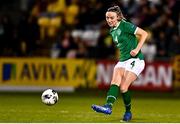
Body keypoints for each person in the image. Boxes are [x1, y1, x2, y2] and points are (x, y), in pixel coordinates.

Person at [91, 6, 148, 122]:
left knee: (123, 87)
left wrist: (137, 49)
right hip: (123, 60)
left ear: (118, 17)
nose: (109, 20)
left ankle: (128, 112)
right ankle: (108, 107)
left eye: (112, 17)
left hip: (136, 60)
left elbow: (144, 34)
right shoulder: (112, 30)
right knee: (115, 82)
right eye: (107, 18)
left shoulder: (125, 25)